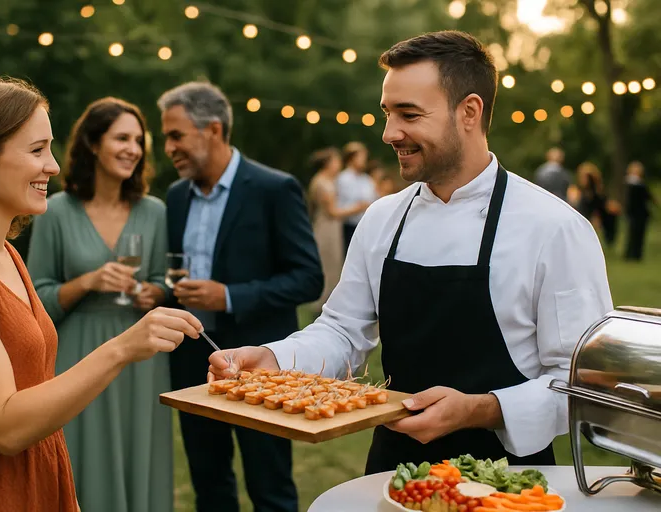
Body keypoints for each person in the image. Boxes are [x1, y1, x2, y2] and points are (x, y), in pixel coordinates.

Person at [209, 31, 613, 472]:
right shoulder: (382, 218)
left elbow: (584, 386)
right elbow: (344, 331)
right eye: (387, 113)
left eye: (409, 115)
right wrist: (273, 360)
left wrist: (480, 408)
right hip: (394, 472)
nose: (389, 133)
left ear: (470, 112)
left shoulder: (555, 228)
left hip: (511, 481)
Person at [0, 77, 202, 512]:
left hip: (37, 484)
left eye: (51, 149)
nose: (54, 166)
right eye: (37, 150)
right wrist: (121, 348)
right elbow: (4, 427)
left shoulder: (5, 253)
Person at [158, 81, 323, 512]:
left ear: (212, 129)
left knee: (270, 487)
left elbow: (308, 278)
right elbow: (177, 274)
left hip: (258, 363)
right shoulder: (175, 198)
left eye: (175, 136)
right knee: (208, 484)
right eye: (166, 138)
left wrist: (228, 296)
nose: (168, 147)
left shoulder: (274, 188)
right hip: (194, 361)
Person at [26, 97, 174, 511]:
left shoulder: (155, 212)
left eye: (139, 140)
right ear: (92, 144)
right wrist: (88, 281)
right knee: (80, 455)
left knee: (139, 452)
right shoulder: (55, 211)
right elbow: (36, 299)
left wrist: (155, 293)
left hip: (142, 357)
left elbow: (164, 280)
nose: (133, 149)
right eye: (121, 138)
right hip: (78, 350)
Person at [306, 147, 367, 317]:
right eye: (335, 161)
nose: (338, 164)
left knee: (334, 266)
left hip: (333, 228)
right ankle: (319, 307)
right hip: (327, 229)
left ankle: (325, 306)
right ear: (328, 163)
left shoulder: (329, 181)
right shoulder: (322, 183)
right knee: (328, 266)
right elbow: (332, 212)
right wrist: (358, 208)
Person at [336, 141, 377, 254]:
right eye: (361, 157)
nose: (364, 160)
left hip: (367, 226)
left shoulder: (366, 179)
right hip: (350, 226)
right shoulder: (343, 178)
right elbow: (340, 205)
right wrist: (360, 206)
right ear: (351, 158)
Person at [624, 161, 657, 261]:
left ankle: (631, 254)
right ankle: (635, 254)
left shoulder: (629, 184)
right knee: (637, 234)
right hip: (639, 213)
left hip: (634, 212)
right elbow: (648, 197)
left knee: (633, 233)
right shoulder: (638, 185)